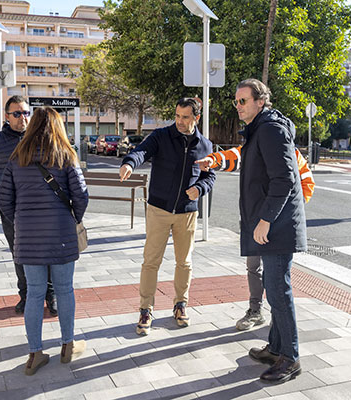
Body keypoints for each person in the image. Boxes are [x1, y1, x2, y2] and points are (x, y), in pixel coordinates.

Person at [0, 106, 89, 375]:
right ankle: (67, 346)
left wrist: (22, 223)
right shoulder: (65, 155)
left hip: (27, 237)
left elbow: (5, 199)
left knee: (35, 294)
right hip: (61, 234)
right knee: (64, 290)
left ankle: (35, 353)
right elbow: (81, 195)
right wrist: (72, 218)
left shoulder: (17, 157)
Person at [119, 98, 216, 336]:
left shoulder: (205, 146)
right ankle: (145, 309)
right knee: (151, 261)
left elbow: (210, 176)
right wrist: (130, 163)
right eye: (177, 116)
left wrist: (200, 189)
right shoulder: (161, 136)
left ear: (196, 118)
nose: (180, 121)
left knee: (184, 262)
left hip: (187, 213)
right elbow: (142, 151)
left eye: (185, 117)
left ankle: (180, 305)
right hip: (159, 210)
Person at [232, 78, 306, 383]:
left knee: (278, 290)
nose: (238, 106)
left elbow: (284, 180)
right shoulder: (261, 127)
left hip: (277, 226)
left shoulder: (271, 129)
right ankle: (276, 347)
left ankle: (290, 357)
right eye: (236, 101)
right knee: (275, 288)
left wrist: (265, 219)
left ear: (260, 101)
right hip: (271, 224)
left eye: (243, 101)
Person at [196, 146, 313, 331]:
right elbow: (236, 156)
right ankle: (255, 311)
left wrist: (293, 208)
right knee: (253, 267)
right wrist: (214, 160)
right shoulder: (258, 145)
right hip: (255, 220)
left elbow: (307, 181)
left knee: (276, 273)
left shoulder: (291, 152)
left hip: (279, 224)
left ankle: (279, 316)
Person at [0, 96, 57, 316]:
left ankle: (50, 296)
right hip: (11, 211)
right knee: (19, 254)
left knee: (47, 253)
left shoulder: (41, 138)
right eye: (17, 114)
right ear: (7, 116)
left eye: (25, 113)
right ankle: (25, 295)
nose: (22, 118)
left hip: (41, 209)